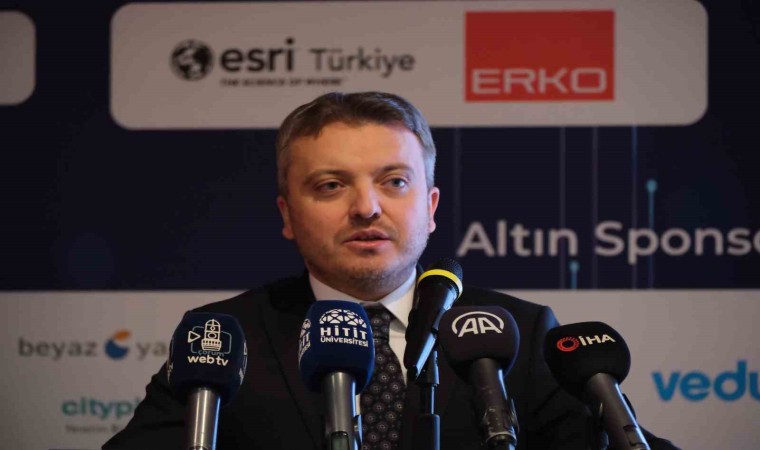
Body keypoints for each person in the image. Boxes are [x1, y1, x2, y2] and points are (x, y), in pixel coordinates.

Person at [103, 92, 678, 450]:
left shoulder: (516, 334)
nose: (367, 208)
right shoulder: (222, 337)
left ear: (430, 207)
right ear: (287, 215)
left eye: (394, 181)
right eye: (331, 185)